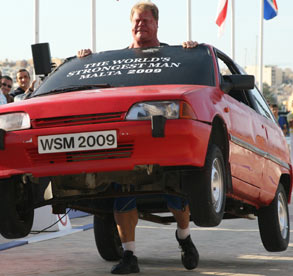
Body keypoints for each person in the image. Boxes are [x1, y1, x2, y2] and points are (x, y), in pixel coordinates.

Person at [78, 2, 198, 274]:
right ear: (130, 25)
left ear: (156, 24)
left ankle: (184, 236)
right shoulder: (115, 61)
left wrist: (190, 51)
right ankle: (130, 256)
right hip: (127, 137)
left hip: (162, 135)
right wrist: (85, 59)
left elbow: (188, 83)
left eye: (146, 20)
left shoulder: (172, 54)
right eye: (136, 21)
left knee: (175, 194)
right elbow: (95, 86)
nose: (140, 25)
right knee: (122, 193)